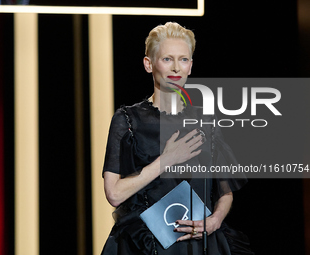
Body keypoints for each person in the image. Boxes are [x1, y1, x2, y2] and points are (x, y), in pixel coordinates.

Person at [101, 22, 254, 255]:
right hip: (148, 245)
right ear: (148, 64)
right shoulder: (128, 120)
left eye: (183, 59)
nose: (176, 68)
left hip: (201, 242)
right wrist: (166, 160)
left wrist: (214, 221)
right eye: (167, 59)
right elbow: (114, 194)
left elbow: (225, 192)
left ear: (190, 66)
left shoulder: (206, 120)